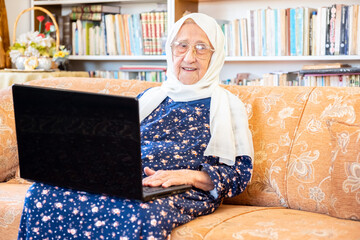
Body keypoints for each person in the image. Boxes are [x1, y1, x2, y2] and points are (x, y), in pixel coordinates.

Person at [18, 13, 254, 240]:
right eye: (182, 46)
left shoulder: (228, 106)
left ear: (216, 55)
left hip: (181, 190)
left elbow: (239, 175)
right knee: (41, 193)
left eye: (201, 47)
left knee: (138, 213)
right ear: (170, 51)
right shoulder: (149, 98)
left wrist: (188, 176)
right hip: (126, 183)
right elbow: (111, 146)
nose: (190, 57)